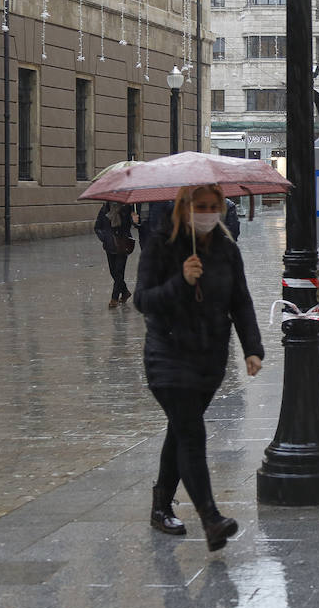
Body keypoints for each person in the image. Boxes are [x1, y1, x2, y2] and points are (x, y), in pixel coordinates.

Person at [134, 184, 264, 551]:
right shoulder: (161, 244)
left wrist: (252, 348)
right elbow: (143, 301)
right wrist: (181, 281)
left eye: (213, 206)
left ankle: (160, 505)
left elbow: (240, 300)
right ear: (184, 208)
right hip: (168, 357)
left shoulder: (226, 249)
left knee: (180, 431)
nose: (208, 213)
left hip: (209, 360)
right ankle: (211, 519)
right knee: (191, 434)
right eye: (200, 206)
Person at [94, 202, 138, 308]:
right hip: (110, 245)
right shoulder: (105, 209)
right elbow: (97, 227)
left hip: (122, 243)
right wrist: (105, 238)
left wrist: (134, 220)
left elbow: (130, 225)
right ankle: (125, 292)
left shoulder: (127, 207)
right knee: (113, 272)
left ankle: (114, 298)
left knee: (119, 271)